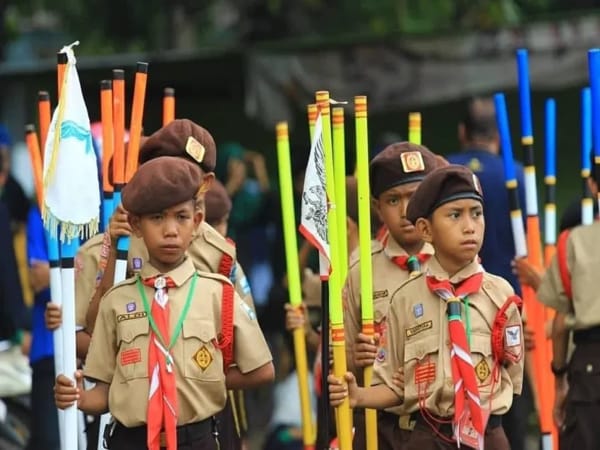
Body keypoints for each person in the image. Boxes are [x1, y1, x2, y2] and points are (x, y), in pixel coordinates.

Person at [54, 156, 274, 450]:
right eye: (157, 218)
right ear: (135, 224)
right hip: (131, 441)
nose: (170, 230)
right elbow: (106, 391)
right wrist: (78, 397)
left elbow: (261, 370)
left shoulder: (217, 294)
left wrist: (203, 380)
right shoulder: (116, 301)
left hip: (197, 440)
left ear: (196, 222)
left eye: (181, 217)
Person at [329, 165, 524, 450]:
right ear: (425, 229)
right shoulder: (406, 299)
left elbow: (512, 374)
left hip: (487, 435)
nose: (469, 226)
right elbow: (395, 385)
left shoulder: (501, 295)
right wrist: (358, 396)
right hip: (427, 436)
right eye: (455, 215)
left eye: (476, 213)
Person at [445, 97, 534, 450]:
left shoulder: (447, 173)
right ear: (497, 136)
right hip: (509, 306)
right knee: (508, 402)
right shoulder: (515, 176)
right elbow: (529, 247)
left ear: (462, 132)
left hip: (453, 304)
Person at [343, 143, 442, 450]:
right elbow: (340, 359)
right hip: (381, 427)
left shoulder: (451, 258)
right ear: (376, 207)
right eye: (393, 200)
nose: (404, 211)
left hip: (440, 425)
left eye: (414, 197)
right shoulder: (361, 269)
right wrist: (358, 362)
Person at [527, 165, 600, 450]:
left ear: (593, 187)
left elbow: (559, 325)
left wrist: (559, 382)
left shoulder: (573, 242)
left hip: (591, 368)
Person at [24, 205, 60, 450]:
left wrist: (59, 272)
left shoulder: (105, 206)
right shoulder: (41, 211)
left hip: (95, 351)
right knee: (48, 441)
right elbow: (36, 277)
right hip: (49, 349)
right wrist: (84, 269)